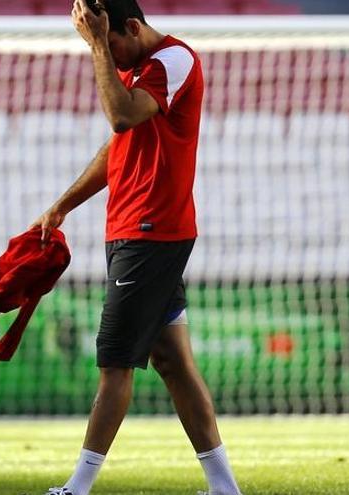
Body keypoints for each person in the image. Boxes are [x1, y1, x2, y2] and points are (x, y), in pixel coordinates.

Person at [31, 1, 242, 494]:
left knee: (114, 363)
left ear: (131, 26)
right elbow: (118, 146)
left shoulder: (174, 60)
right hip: (134, 230)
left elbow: (121, 118)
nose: (111, 56)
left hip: (151, 233)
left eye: (113, 42)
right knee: (172, 362)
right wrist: (63, 205)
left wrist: (96, 49)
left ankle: (77, 488)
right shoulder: (144, 73)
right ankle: (224, 488)